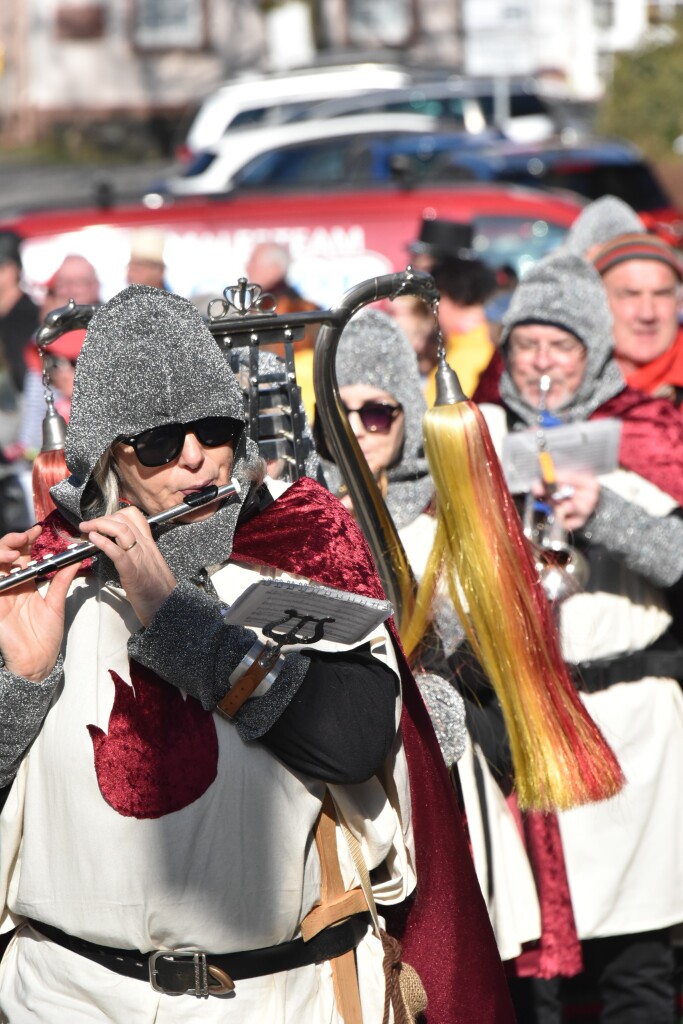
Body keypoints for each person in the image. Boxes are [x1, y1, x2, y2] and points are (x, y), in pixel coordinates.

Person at [0, 285, 514, 1022]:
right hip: (68, 996)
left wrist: (176, 619)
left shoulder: (298, 542)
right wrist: (20, 681)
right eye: (158, 441)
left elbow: (354, 738)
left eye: (214, 430)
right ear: (105, 449)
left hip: (282, 993)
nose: (195, 459)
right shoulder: (51, 569)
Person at [318, 308, 581, 974]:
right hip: (347, 772)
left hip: (442, 765)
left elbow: (500, 655)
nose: (358, 428)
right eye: (340, 413)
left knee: (455, 961)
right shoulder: (306, 512)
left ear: (407, 415)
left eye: (377, 412)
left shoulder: (444, 514)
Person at [476, 251, 683, 1023]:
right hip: (526, 731)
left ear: (590, 352)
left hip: (632, 730)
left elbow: (676, 559)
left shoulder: (645, 431)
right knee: (535, 975)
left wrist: (603, 511)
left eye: (559, 346)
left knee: (636, 962)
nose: (540, 363)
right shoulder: (482, 440)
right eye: (526, 344)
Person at [591, 231, 683, 407]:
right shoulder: (566, 378)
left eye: (661, 294)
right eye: (630, 294)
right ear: (598, 301)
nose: (647, 314)